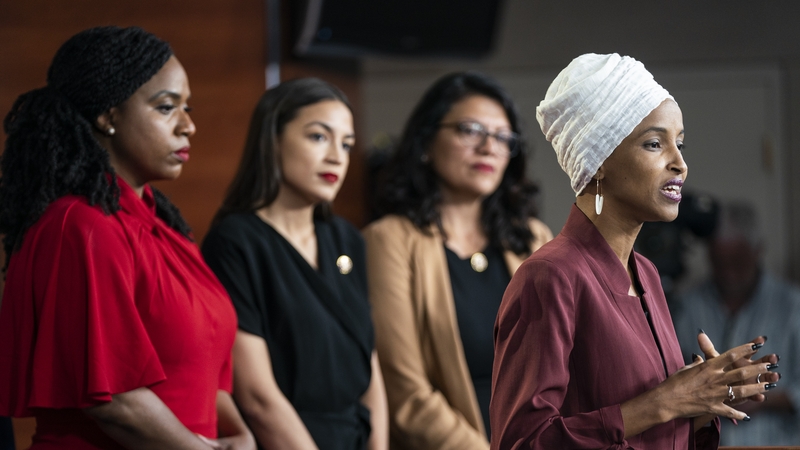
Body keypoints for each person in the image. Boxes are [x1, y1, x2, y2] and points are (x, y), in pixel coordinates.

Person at [490, 53, 780, 450]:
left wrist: (702, 401)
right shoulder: (549, 277)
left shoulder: (646, 274)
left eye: (679, 144)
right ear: (599, 161)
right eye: (654, 144)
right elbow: (519, 443)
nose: (680, 164)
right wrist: (664, 401)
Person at [0, 26, 254, 449]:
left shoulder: (168, 227)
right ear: (107, 115)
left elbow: (203, 366)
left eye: (187, 108)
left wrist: (240, 434)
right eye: (166, 107)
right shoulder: (80, 227)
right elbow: (114, 400)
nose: (188, 126)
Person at [363, 72, 553, 450]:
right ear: (425, 143)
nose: (489, 148)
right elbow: (406, 395)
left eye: (502, 137)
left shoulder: (534, 238)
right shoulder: (388, 241)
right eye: (470, 130)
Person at [201, 78, 388, 450]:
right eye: (319, 137)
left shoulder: (347, 239)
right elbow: (257, 396)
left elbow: (369, 369)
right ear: (272, 139)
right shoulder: (235, 242)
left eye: (347, 144)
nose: (337, 156)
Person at [672, 199, 800, 446]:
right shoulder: (686, 307)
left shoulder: (792, 306)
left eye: (737, 262)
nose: (729, 273)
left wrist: (753, 394)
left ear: (757, 250)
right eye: (720, 263)